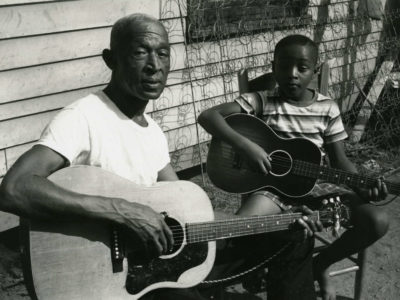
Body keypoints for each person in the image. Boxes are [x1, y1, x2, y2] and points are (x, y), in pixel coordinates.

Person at [198, 34, 390, 300]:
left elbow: (340, 162)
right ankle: (239, 276)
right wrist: (245, 146)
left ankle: (318, 266)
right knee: (240, 228)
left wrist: (362, 185)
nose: (292, 74)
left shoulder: (327, 108)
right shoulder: (261, 100)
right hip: (272, 192)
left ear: (314, 69)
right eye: (284, 66)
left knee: (377, 220)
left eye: (302, 67)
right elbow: (208, 116)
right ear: (273, 66)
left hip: (317, 185)